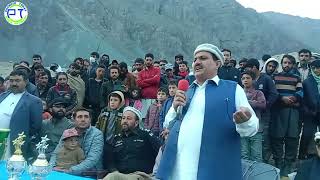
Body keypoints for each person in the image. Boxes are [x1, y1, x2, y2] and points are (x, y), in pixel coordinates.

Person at [157, 43, 259, 180]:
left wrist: (245, 121)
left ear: (217, 64)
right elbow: (167, 123)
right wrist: (174, 108)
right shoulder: (186, 91)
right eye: (195, 59)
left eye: (203, 58)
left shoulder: (233, 89)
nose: (197, 62)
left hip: (214, 170)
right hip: (178, 169)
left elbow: (252, 128)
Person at [103, 107, 161, 180]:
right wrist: (115, 171)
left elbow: (161, 150)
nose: (125, 121)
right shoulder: (116, 139)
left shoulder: (146, 135)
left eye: (128, 118)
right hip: (121, 175)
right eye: (123, 118)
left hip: (141, 175)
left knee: (112, 177)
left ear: (136, 122)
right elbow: (110, 161)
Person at [271, 54, 303, 178]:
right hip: (279, 111)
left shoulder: (297, 77)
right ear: (282, 64)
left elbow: (300, 91)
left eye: (289, 63)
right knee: (277, 137)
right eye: (285, 63)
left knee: (292, 137)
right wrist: (282, 98)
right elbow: (273, 91)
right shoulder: (275, 76)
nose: (287, 65)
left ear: (293, 64)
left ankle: (288, 164)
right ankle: (278, 163)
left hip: (292, 111)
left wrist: (294, 98)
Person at [0, 70, 42, 160]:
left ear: (26, 82)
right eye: (11, 81)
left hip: (14, 141)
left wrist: (19, 135)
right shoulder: (2, 96)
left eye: (17, 80)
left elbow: (35, 126)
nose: (14, 83)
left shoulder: (34, 101)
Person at [244, 58, 279, 163]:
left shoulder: (266, 78)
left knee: (263, 139)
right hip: (249, 117)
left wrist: (265, 105)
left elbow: (274, 94)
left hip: (264, 115)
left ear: (254, 67)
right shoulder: (245, 83)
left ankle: (263, 163)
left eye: (248, 68)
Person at [50, 108, 104, 175]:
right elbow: (56, 153)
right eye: (80, 117)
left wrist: (70, 170)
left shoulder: (97, 134)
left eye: (86, 117)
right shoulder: (68, 132)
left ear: (90, 119)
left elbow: (92, 159)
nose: (83, 119)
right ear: (74, 120)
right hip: (63, 169)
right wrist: (51, 167)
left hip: (88, 173)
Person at [240, 71, 266, 162]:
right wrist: (253, 103)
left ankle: (257, 176)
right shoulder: (238, 93)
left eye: (248, 78)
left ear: (253, 80)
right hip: (242, 128)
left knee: (257, 156)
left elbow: (262, 105)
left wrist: (246, 103)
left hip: (256, 129)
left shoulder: (258, 93)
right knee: (244, 155)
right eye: (243, 78)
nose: (245, 80)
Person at [299, 59, 320, 160]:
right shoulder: (307, 82)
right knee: (307, 134)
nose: (316, 70)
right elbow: (303, 99)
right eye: (314, 68)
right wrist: (307, 111)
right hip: (311, 113)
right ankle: (302, 156)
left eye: (318, 68)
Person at [137, 53, 161, 118]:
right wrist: (151, 81)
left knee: (154, 117)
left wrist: (144, 80)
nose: (148, 62)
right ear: (145, 60)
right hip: (144, 99)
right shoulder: (141, 73)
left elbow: (156, 80)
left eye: (150, 60)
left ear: (153, 61)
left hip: (154, 99)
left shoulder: (157, 70)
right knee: (143, 117)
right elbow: (139, 83)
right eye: (147, 60)